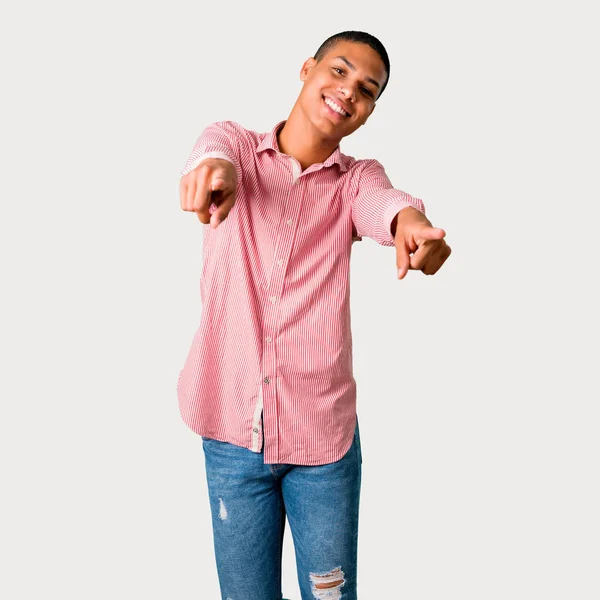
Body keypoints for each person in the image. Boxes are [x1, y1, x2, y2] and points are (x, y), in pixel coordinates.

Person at [177, 30, 451, 600]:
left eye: (367, 89)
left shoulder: (356, 179)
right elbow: (212, 155)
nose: (349, 91)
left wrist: (410, 227)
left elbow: (384, 205)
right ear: (307, 70)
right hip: (231, 435)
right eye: (340, 71)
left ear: (370, 110)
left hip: (322, 445)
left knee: (331, 597)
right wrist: (214, 173)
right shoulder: (237, 147)